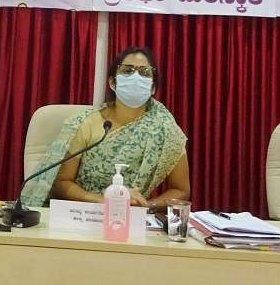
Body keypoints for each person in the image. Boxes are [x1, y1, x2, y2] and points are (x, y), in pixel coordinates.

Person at [21, 46, 190, 211]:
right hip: (83, 215)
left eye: (144, 72)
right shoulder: (86, 123)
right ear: (112, 82)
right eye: (127, 71)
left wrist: (145, 206)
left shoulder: (165, 128)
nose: (136, 77)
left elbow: (181, 190)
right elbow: (61, 182)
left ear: (153, 88)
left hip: (132, 218)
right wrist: (103, 201)